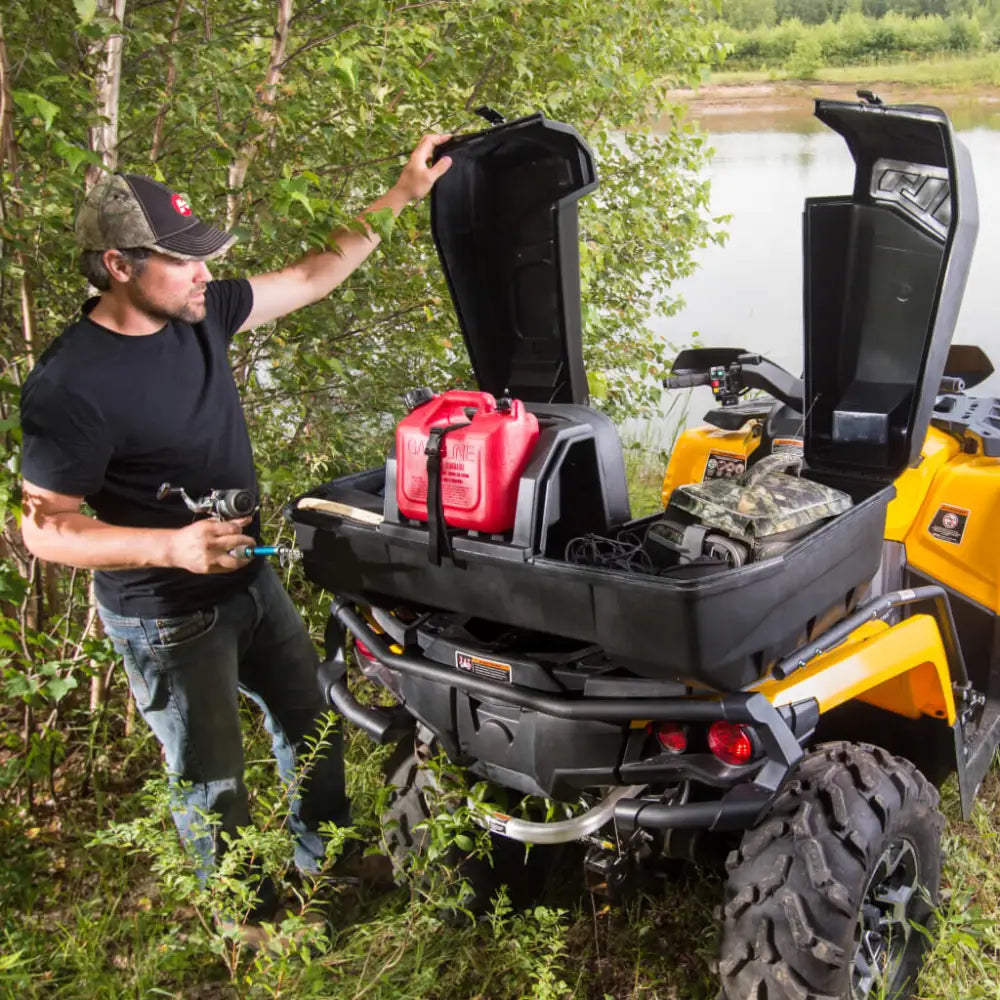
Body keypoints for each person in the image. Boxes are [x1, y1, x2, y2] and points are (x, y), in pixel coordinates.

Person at [18, 134, 453, 940]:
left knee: (313, 723)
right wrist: (167, 546)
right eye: (183, 260)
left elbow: (313, 271)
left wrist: (399, 193)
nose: (204, 273)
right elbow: (44, 528)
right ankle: (246, 921)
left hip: (248, 579)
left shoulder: (200, 314)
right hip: (165, 610)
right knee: (211, 776)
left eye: (203, 258)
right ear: (119, 265)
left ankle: (325, 866)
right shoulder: (71, 386)